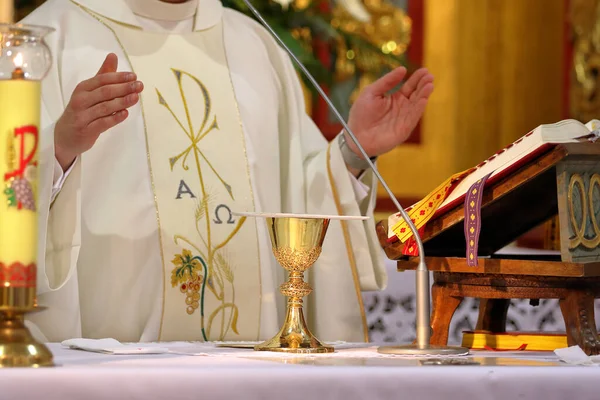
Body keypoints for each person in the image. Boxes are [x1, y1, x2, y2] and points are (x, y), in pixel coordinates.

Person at [21, 0, 434, 343]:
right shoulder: (45, 40)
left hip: (247, 367)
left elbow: (294, 195)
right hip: (110, 371)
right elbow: (12, 189)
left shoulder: (252, 44)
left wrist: (352, 152)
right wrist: (58, 147)